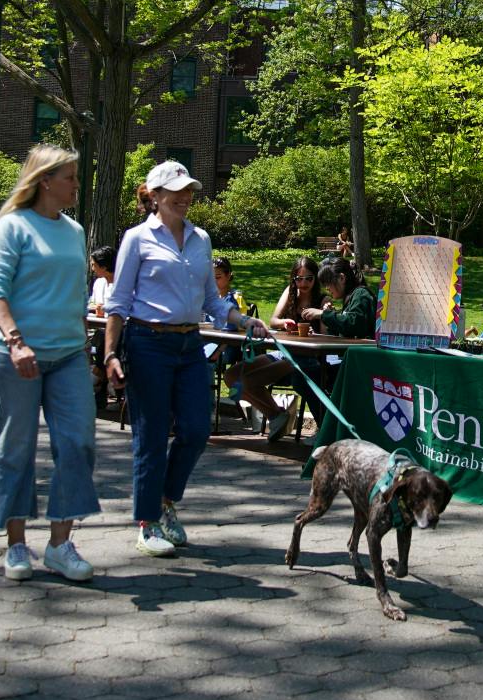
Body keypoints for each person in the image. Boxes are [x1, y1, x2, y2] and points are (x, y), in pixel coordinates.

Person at [104, 160, 265, 554]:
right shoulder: (136, 239)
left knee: (195, 430)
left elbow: (211, 299)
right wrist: (110, 352)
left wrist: (243, 320)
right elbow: (119, 302)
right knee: (152, 435)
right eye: (176, 190)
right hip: (147, 343)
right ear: (155, 196)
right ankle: (147, 522)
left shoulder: (201, 239)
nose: (185, 196)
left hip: (190, 344)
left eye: (189, 189)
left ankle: (165, 501)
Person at [0, 146, 99, 581]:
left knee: (78, 445)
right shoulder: (11, 227)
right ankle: (15, 545)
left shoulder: (73, 230)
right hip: (17, 356)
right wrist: (15, 340)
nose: (76, 184)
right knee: (16, 449)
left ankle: (59, 544)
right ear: (45, 180)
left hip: (67, 354)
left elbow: (73, 295)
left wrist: (89, 351)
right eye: (70, 176)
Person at [226, 256, 320, 437]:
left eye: (308, 278)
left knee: (244, 381)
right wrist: (284, 322)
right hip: (282, 352)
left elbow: (326, 334)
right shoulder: (290, 293)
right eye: (298, 279)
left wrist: (319, 320)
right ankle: (276, 415)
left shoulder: (321, 300)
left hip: (303, 358)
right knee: (232, 376)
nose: (303, 283)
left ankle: (277, 416)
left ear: (316, 279)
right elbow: (274, 320)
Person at [88, 244, 117, 315]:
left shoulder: (124, 285)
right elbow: (92, 304)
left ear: (104, 267)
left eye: (93, 265)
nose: (92, 269)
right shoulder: (98, 283)